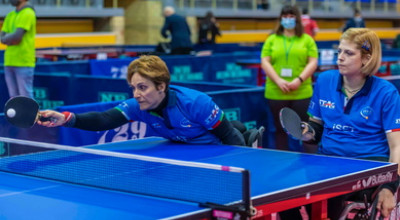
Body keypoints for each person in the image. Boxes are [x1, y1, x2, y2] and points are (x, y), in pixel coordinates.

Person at [296, 28, 400, 219]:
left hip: (367, 165)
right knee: (287, 194)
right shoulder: (325, 80)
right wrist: (307, 133)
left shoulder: (386, 93)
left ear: (366, 58)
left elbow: (397, 146)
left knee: (329, 196)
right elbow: (316, 127)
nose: (340, 58)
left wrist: (390, 186)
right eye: (340, 52)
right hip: (329, 161)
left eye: (349, 53)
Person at [38, 55, 245, 146]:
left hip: (214, 153)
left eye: (143, 87)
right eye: (134, 88)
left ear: (161, 86)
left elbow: (228, 135)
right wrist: (64, 118)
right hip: (182, 156)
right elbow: (104, 119)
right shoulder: (138, 107)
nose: (136, 94)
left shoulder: (196, 103)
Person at [260, 4, 318, 151]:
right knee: (279, 130)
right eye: (285, 16)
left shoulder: (307, 40)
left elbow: (313, 62)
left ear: (297, 19)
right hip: (276, 90)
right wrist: (278, 80)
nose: (288, 19)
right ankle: (283, 162)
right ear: (280, 19)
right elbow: (265, 61)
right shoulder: (272, 39)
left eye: (291, 16)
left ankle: (311, 163)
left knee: (305, 129)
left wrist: (299, 80)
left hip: (302, 91)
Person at [0, 0, 36, 99]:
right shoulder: (10, 15)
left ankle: (31, 115)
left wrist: (9, 39)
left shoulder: (28, 12)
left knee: (26, 96)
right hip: (9, 61)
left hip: (24, 61)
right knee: (13, 98)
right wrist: (10, 39)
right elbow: (2, 37)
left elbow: (17, 37)